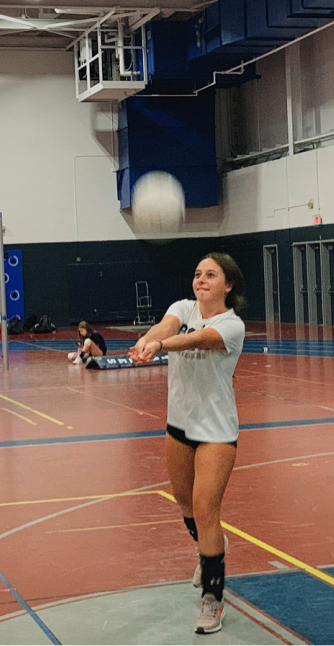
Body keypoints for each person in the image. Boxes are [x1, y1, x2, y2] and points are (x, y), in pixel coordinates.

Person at [128, 253, 245, 635]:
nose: (201, 280)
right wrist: (146, 341)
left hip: (216, 432)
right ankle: (213, 546)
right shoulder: (182, 306)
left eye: (211, 275)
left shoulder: (231, 325)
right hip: (179, 425)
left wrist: (161, 348)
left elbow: (199, 339)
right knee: (185, 504)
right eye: (197, 274)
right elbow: (167, 326)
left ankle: (213, 598)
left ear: (228, 285)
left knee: (205, 508)